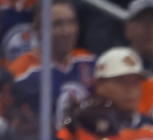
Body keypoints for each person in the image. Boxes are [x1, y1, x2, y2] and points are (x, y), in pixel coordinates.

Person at [7, 0, 93, 128]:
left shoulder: (88, 61)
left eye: (72, 22)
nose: (67, 31)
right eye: (57, 24)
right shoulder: (20, 72)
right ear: (37, 29)